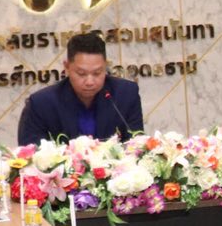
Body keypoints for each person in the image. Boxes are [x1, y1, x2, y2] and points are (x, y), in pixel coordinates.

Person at [15, 30, 143, 146]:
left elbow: (137, 146)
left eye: (97, 73)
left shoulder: (126, 94)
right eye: (81, 73)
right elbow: (30, 154)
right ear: (67, 67)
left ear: (105, 66)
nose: (90, 82)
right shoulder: (41, 104)